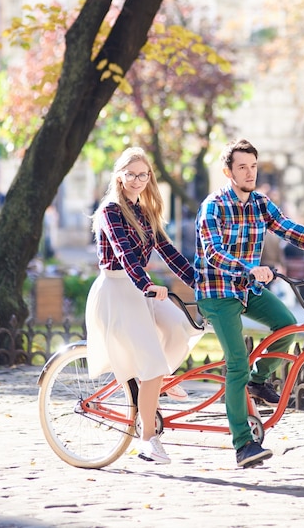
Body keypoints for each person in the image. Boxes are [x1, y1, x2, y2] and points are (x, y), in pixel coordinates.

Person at [194, 138, 304, 469]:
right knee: (235, 365)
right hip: (217, 291)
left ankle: (258, 381)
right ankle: (244, 444)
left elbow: (292, 230)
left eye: (253, 166)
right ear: (227, 171)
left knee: (287, 326)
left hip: (248, 287)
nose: (249, 173)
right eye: (242, 167)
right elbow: (214, 252)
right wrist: (249, 268)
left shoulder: (260, 203)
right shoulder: (213, 207)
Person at [86, 147, 200, 465]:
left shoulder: (146, 210)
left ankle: (158, 384)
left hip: (141, 289)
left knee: (180, 327)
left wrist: (201, 284)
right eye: (131, 174)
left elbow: (170, 252)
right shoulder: (110, 210)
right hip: (118, 289)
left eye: (143, 174)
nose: (137, 180)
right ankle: (148, 440)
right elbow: (125, 254)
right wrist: (146, 285)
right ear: (119, 176)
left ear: (150, 177)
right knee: (151, 363)